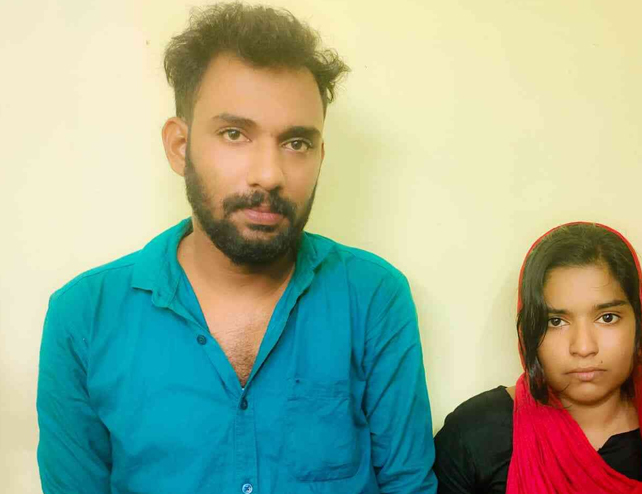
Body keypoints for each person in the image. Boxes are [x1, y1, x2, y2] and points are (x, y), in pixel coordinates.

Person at [36, 3, 436, 493]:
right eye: (234, 134)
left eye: (296, 143)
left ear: (320, 154)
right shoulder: (83, 317)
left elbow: (408, 484)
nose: (269, 174)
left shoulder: (374, 297)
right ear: (180, 146)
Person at [434, 222, 642, 493]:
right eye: (555, 321)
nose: (583, 347)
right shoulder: (474, 436)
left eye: (607, 318)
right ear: (529, 331)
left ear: (638, 323)